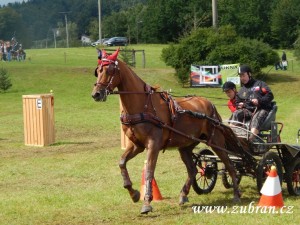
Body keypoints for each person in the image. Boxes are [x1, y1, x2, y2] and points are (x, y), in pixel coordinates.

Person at [232, 65, 274, 141]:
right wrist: (239, 105)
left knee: (256, 118)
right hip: (248, 110)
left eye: (243, 75)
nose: (242, 78)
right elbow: (237, 102)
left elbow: (270, 95)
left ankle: (250, 139)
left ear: (249, 74)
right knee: (236, 113)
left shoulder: (260, 84)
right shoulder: (241, 91)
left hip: (261, 108)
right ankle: (233, 136)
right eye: (240, 76)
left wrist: (259, 101)